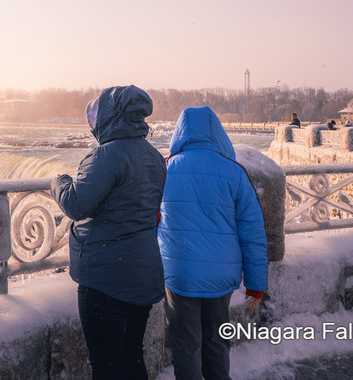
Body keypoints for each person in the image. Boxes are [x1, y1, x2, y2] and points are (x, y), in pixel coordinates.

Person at [51, 85, 166, 379]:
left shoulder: (106, 155)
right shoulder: (153, 156)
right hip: (143, 272)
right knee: (132, 356)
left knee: (106, 366)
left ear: (109, 118)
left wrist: (59, 182)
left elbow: (76, 205)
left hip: (106, 279)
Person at [158, 107, 268, 380]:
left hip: (180, 275)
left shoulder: (165, 169)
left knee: (186, 345)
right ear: (218, 134)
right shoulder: (235, 172)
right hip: (220, 275)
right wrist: (255, 284)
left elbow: (151, 222)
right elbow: (253, 232)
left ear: (179, 133)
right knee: (217, 340)